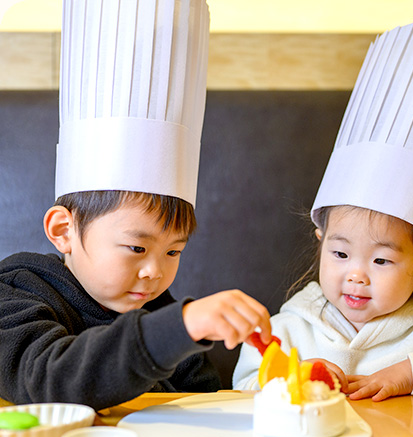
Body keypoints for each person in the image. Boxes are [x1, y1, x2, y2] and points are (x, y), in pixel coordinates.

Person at [0, 0, 271, 411]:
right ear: (63, 230)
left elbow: (202, 408)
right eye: (137, 248)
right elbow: (49, 381)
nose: (155, 272)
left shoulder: (161, 313)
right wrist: (180, 326)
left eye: (174, 251)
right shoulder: (17, 297)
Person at [233, 24, 413, 400]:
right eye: (340, 254)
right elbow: (241, 389)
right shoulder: (291, 327)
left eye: (381, 260)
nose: (356, 275)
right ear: (321, 242)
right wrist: (296, 379)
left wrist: (412, 372)